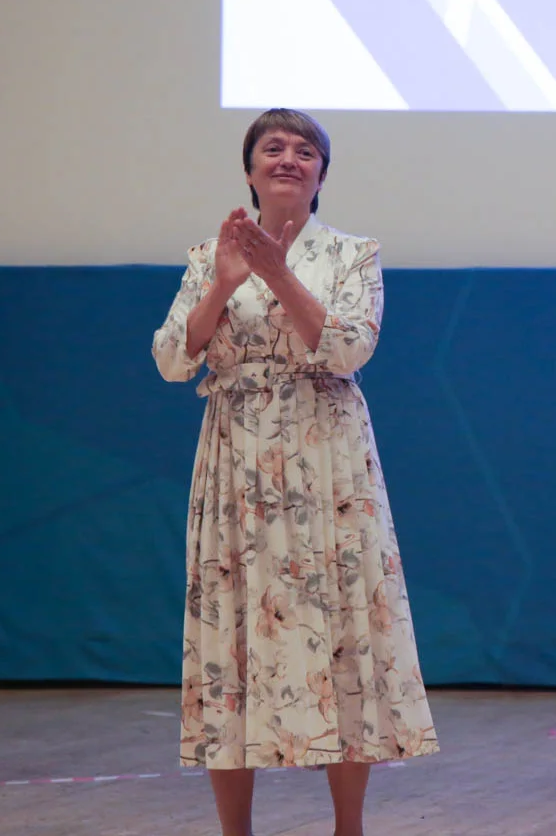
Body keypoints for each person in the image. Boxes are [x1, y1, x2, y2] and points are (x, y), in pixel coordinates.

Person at [153, 108, 437, 836]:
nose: (288, 158)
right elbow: (172, 359)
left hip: (327, 457)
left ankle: (349, 826)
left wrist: (279, 276)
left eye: (304, 150)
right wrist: (223, 285)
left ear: (321, 173)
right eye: (272, 148)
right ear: (249, 171)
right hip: (237, 459)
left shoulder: (354, 255)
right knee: (230, 631)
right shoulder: (207, 255)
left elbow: (348, 350)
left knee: (341, 627)